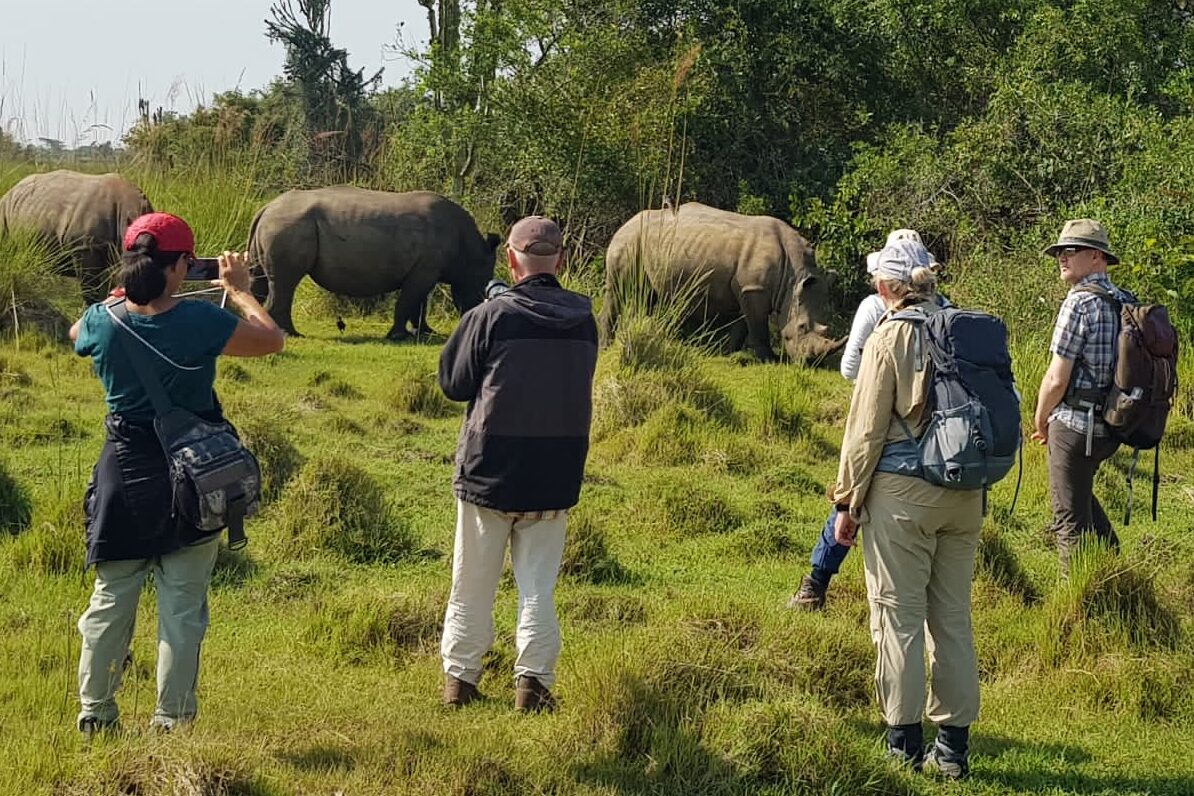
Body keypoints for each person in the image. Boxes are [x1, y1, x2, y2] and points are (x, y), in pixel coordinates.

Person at [71, 212, 284, 737]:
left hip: (123, 474)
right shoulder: (200, 323)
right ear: (184, 266)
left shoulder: (104, 318)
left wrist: (124, 293)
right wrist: (238, 291)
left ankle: (96, 714)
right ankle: (171, 722)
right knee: (183, 606)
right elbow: (270, 339)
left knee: (111, 599)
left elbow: (78, 333)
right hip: (195, 477)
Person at [831, 240, 981, 780]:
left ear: (887, 287)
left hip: (903, 495)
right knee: (954, 619)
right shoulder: (967, 327)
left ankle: (903, 746)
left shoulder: (889, 334)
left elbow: (865, 431)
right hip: (967, 493)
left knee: (897, 617)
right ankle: (954, 752)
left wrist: (848, 501)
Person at [437, 215, 598, 712]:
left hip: (490, 467)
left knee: (471, 584)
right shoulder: (586, 319)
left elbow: (453, 384)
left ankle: (459, 684)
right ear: (563, 260)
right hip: (555, 470)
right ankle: (533, 685)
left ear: (510, 258)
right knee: (538, 587)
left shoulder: (490, 316)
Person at [789, 229, 937, 610]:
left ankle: (815, 583)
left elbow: (849, 367)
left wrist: (880, 378)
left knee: (851, 500)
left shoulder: (876, 308)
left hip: (892, 433)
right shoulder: (946, 310)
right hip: (942, 445)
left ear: (886, 279)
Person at [1033, 219, 1134, 573]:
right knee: (1080, 499)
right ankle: (1116, 571)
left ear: (1096, 257)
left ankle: (1074, 611)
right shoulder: (1126, 301)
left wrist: (1041, 418)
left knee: (1068, 522)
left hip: (1075, 428)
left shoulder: (1078, 303)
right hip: (1113, 426)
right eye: (1060, 251)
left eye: (1071, 251)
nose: (1062, 257)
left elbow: (1056, 378)